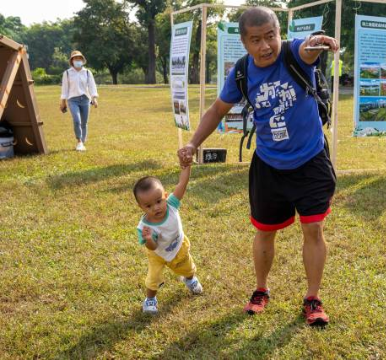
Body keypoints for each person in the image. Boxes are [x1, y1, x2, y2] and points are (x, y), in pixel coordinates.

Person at [179, 6, 338, 326]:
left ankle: (312, 298)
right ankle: (261, 290)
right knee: (265, 232)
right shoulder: (242, 72)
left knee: (313, 229)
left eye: (270, 37)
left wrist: (318, 41)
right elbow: (217, 110)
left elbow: (308, 48)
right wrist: (193, 142)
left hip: (310, 161)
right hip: (268, 164)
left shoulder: (294, 53)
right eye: (256, 40)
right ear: (244, 42)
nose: (265, 46)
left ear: (280, 34)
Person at [133, 156, 203, 314]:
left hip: (178, 247)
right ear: (141, 207)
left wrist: (186, 167)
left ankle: (190, 279)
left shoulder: (171, 205)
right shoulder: (144, 227)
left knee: (188, 267)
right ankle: (150, 299)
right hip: (158, 254)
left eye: (158, 201)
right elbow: (153, 246)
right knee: (153, 278)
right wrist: (149, 239)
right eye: (148, 206)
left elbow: (182, 184)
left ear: (165, 195)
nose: (156, 208)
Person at [59, 50, 98, 151]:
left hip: (85, 99)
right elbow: (65, 89)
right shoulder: (67, 73)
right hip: (72, 100)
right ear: (72, 61)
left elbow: (92, 86)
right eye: (75, 59)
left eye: (79, 58)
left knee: (84, 122)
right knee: (77, 120)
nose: (78, 60)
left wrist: (94, 98)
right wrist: (63, 102)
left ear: (82, 60)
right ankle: (79, 141)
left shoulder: (87, 72)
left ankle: (82, 142)